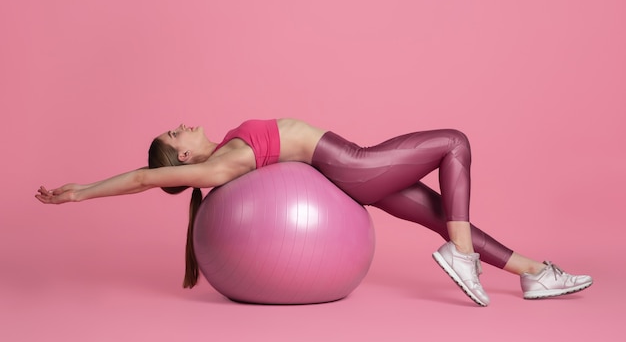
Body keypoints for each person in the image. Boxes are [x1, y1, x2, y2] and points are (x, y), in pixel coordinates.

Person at [36, 118, 592, 306]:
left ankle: (533, 275)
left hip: (344, 173)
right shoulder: (215, 168)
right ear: (183, 156)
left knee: (442, 211)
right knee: (455, 143)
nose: (183, 122)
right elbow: (142, 178)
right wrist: (79, 192)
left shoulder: (227, 145)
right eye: (175, 131)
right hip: (351, 165)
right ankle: (462, 257)